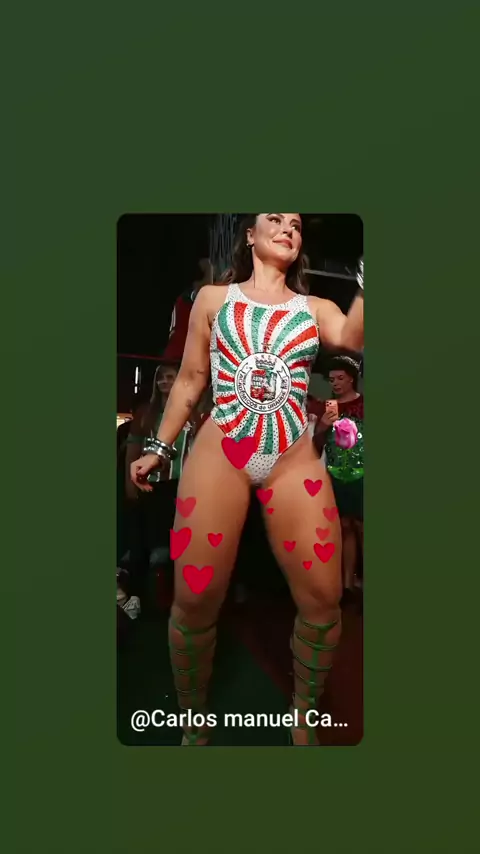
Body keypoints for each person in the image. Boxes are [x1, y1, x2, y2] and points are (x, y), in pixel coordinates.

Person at [130, 214, 364, 745]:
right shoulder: (214, 299)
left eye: (296, 224)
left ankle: (304, 712)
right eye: (274, 219)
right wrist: (158, 447)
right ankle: (193, 718)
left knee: (324, 598)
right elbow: (191, 379)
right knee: (195, 597)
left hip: (293, 459)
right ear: (250, 236)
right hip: (221, 452)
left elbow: (351, 335)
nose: (288, 228)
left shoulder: (317, 308)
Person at [120, 360, 197, 619]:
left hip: (182, 485)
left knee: (178, 541)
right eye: (160, 378)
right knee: (151, 541)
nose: (164, 382)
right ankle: (145, 599)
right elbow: (132, 449)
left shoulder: (193, 411)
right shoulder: (147, 412)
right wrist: (129, 483)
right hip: (150, 484)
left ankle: (172, 599)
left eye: (169, 377)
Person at [311, 356, 364, 599]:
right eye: (331, 380)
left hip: (362, 476)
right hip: (337, 475)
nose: (335, 383)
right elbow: (316, 447)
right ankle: (347, 585)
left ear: (351, 379)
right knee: (344, 527)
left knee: (362, 528)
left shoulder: (365, 404)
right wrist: (322, 426)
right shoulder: (329, 407)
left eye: (340, 378)